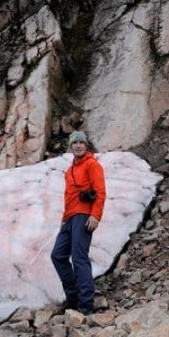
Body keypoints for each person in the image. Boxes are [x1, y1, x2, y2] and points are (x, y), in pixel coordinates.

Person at [51, 130, 106, 315]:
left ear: (86, 145)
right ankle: (73, 296)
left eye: (81, 142)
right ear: (70, 146)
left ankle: (85, 304)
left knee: (79, 258)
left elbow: (100, 191)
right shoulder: (69, 171)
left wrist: (95, 215)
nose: (78, 145)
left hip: (84, 216)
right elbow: (69, 197)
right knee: (57, 255)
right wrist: (64, 220)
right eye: (75, 143)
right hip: (69, 218)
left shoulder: (92, 165)